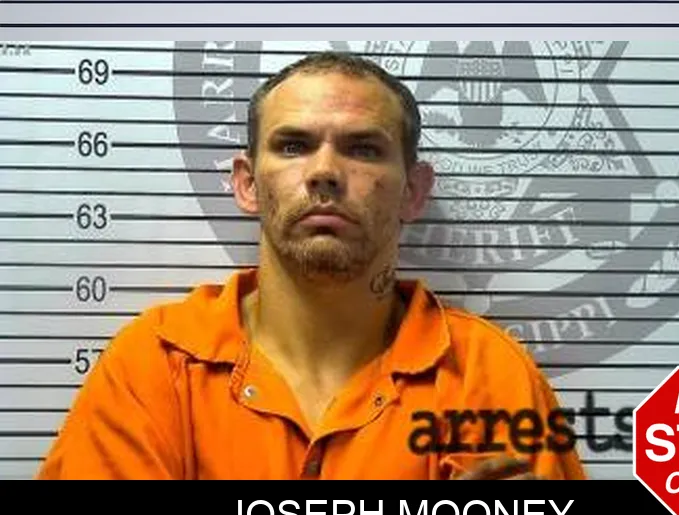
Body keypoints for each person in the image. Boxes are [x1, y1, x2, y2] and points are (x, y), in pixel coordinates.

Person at [37, 51, 587, 480]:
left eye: (363, 149)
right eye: (294, 145)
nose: (325, 171)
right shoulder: (156, 364)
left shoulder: (486, 374)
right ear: (247, 184)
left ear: (414, 192)